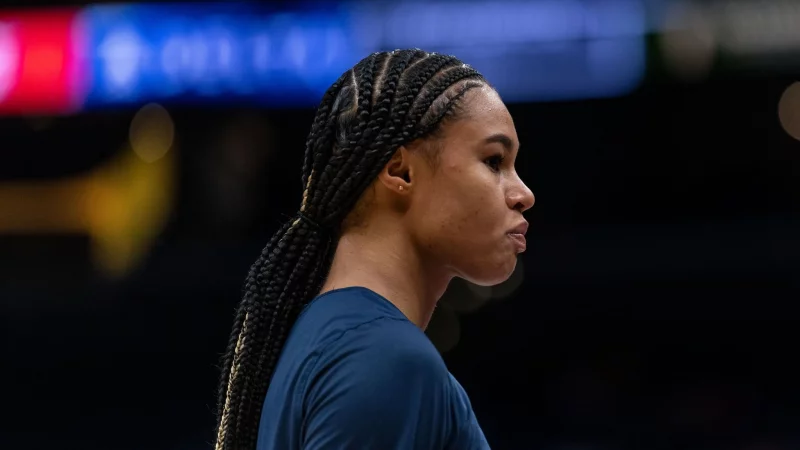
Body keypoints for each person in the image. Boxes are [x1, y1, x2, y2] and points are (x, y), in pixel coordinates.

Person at [214, 49, 535, 450]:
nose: (524, 194)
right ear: (401, 171)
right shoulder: (385, 358)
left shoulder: (328, 340)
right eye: (493, 160)